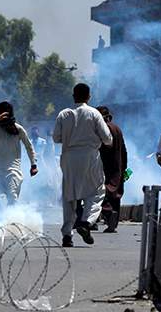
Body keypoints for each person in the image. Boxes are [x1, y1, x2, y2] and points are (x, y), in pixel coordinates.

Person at [53, 83, 113, 248]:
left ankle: (67, 235)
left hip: (68, 157)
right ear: (89, 97)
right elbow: (108, 139)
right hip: (90, 156)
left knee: (69, 196)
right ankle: (86, 222)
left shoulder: (63, 114)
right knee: (97, 191)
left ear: (73, 96)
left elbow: (56, 138)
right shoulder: (94, 113)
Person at [0, 101, 37, 206]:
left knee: (12, 197)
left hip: (13, 172)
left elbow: (29, 146)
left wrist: (33, 164)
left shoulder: (18, 129)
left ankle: (12, 220)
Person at [96, 106, 127, 234]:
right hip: (117, 166)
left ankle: (109, 213)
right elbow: (124, 150)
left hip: (105, 165)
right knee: (116, 195)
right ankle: (113, 224)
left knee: (101, 192)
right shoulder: (117, 128)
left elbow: (100, 148)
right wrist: (124, 166)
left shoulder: (104, 129)